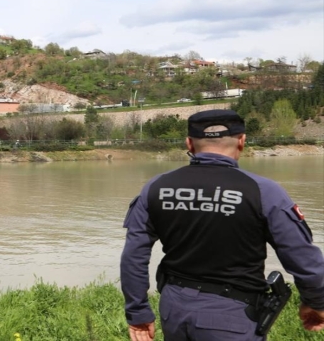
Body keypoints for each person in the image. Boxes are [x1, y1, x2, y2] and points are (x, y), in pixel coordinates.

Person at [120, 109, 324, 341]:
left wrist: (137, 312)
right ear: (242, 141)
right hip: (232, 315)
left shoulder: (155, 187)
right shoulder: (264, 191)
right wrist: (316, 301)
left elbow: (134, 256)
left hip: (174, 310)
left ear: (189, 143)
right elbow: (303, 259)